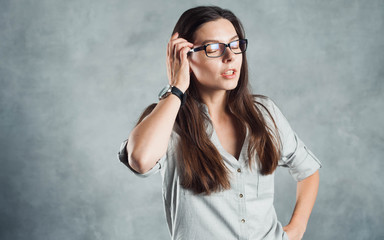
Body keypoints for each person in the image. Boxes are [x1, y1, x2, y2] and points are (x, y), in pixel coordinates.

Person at [118, 6, 322, 240]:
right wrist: (176, 88)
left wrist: (297, 228)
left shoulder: (265, 114)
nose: (230, 57)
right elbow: (140, 160)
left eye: (235, 45)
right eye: (213, 48)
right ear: (184, 56)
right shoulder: (168, 120)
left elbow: (308, 169)